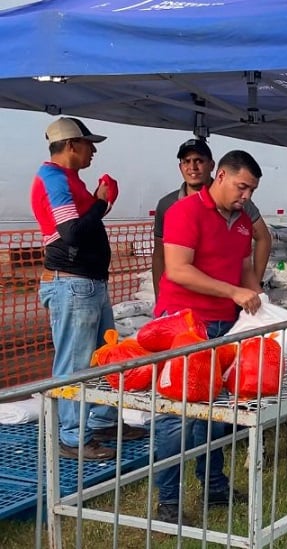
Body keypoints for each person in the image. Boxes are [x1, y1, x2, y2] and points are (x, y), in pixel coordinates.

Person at [152, 150, 264, 525]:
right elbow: (178, 270)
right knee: (176, 415)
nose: (246, 195)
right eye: (241, 186)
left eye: (251, 190)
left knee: (217, 413)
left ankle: (214, 484)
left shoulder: (244, 220)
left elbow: (245, 266)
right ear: (220, 175)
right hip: (185, 325)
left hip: (223, 325)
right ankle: (168, 500)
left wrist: (258, 300)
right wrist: (233, 293)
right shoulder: (184, 212)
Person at [32, 117, 147, 461]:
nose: (93, 151)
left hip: (85, 282)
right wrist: (100, 201)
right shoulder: (54, 179)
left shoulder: (67, 180)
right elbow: (71, 233)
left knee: (105, 355)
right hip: (73, 283)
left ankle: (100, 421)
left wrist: (101, 202)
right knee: (75, 363)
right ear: (71, 146)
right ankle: (71, 437)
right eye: (88, 144)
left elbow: (81, 225)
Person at [151, 138, 271, 298]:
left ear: (212, 165)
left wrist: (257, 293)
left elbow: (246, 265)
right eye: (187, 161)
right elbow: (172, 266)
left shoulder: (242, 213)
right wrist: (159, 298)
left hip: (225, 311)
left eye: (199, 161)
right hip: (190, 313)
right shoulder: (175, 208)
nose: (193, 167)